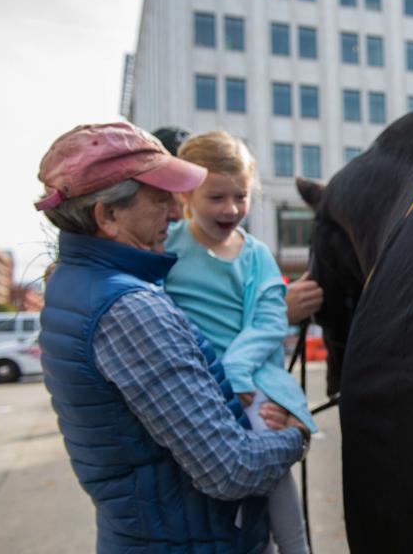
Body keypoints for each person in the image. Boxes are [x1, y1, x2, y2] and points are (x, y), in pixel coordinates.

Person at [35, 122, 310, 553]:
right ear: (107, 215)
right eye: (159, 197)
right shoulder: (131, 310)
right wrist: (296, 435)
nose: (173, 210)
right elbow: (229, 469)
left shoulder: (79, 284)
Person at [164, 130, 314, 554]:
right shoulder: (168, 248)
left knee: (270, 450)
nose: (232, 209)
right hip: (194, 387)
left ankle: (294, 548)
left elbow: (269, 320)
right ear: (186, 197)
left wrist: (237, 369)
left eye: (241, 196)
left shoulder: (257, 255)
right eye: (217, 197)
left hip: (247, 385)